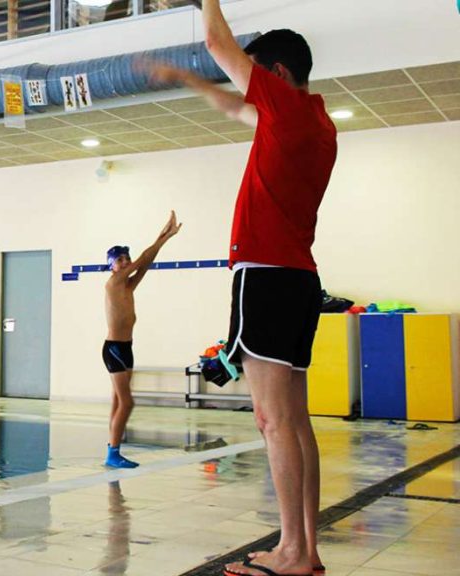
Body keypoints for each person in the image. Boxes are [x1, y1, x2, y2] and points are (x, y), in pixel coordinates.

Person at [150, 2, 337, 574]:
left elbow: (215, 40)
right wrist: (186, 81)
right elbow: (235, 107)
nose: (248, 89)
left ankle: (292, 553)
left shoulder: (288, 107)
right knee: (294, 420)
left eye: (256, 78)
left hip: (266, 274)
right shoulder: (313, 122)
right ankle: (302, 546)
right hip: (298, 278)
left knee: (272, 420)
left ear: (277, 76)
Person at [102, 212, 181, 469]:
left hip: (126, 348)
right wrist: (164, 237)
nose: (125, 262)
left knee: (118, 400)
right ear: (111, 266)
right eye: (120, 260)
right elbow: (142, 259)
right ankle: (113, 453)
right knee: (127, 401)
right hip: (113, 349)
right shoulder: (113, 283)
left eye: (126, 258)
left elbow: (146, 261)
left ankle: (112, 448)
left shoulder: (127, 286)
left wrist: (163, 237)